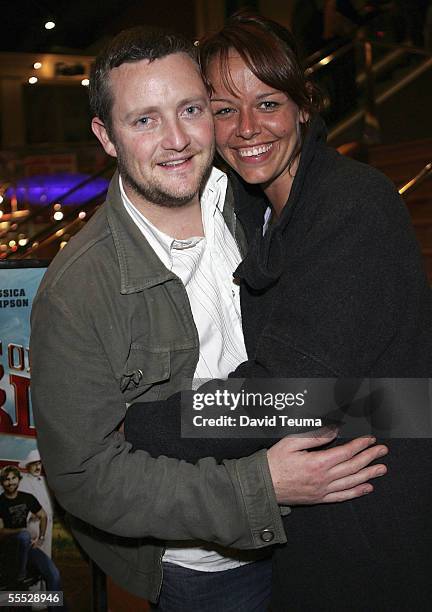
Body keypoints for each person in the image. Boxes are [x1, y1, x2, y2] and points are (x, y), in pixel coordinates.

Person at [29, 27, 388, 610]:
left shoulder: (255, 204)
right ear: (107, 136)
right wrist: (258, 489)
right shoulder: (78, 292)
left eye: (190, 110)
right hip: (212, 570)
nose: (175, 140)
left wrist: (148, 423)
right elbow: (85, 477)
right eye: (144, 120)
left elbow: (323, 383)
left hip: (323, 532)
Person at [127, 10, 432, 611]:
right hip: (314, 498)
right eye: (223, 109)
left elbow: (291, 392)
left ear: (303, 106)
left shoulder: (351, 205)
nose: (246, 128)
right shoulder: (254, 209)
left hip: (369, 507)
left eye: (267, 103)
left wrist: (137, 425)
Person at [0, 466, 62, 600]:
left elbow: (43, 516)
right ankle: (20, 577)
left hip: (26, 545)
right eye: (6, 480)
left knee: (54, 575)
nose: (10, 482)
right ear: (2, 482)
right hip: (6, 547)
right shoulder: (0, 502)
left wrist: (41, 537)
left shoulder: (27, 498)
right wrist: (21, 531)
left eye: (13, 478)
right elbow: (1, 531)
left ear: (19, 479)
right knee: (24, 535)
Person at [19, 448, 54, 558]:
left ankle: (43, 574)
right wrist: (32, 515)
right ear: (28, 466)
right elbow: (21, 506)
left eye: (39, 463)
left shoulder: (45, 481)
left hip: (48, 524)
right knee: (33, 554)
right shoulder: (23, 483)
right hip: (33, 525)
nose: (38, 467)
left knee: (46, 554)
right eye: (34, 464)